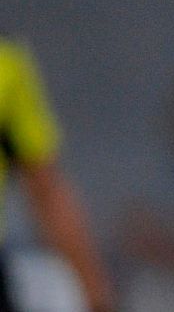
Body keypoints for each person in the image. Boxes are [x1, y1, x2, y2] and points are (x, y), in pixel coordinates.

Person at [0, 36, 115, 312]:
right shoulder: (6, 63)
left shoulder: (7, 65)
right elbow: (47, 192)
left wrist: (94, 291)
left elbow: (47, 192)